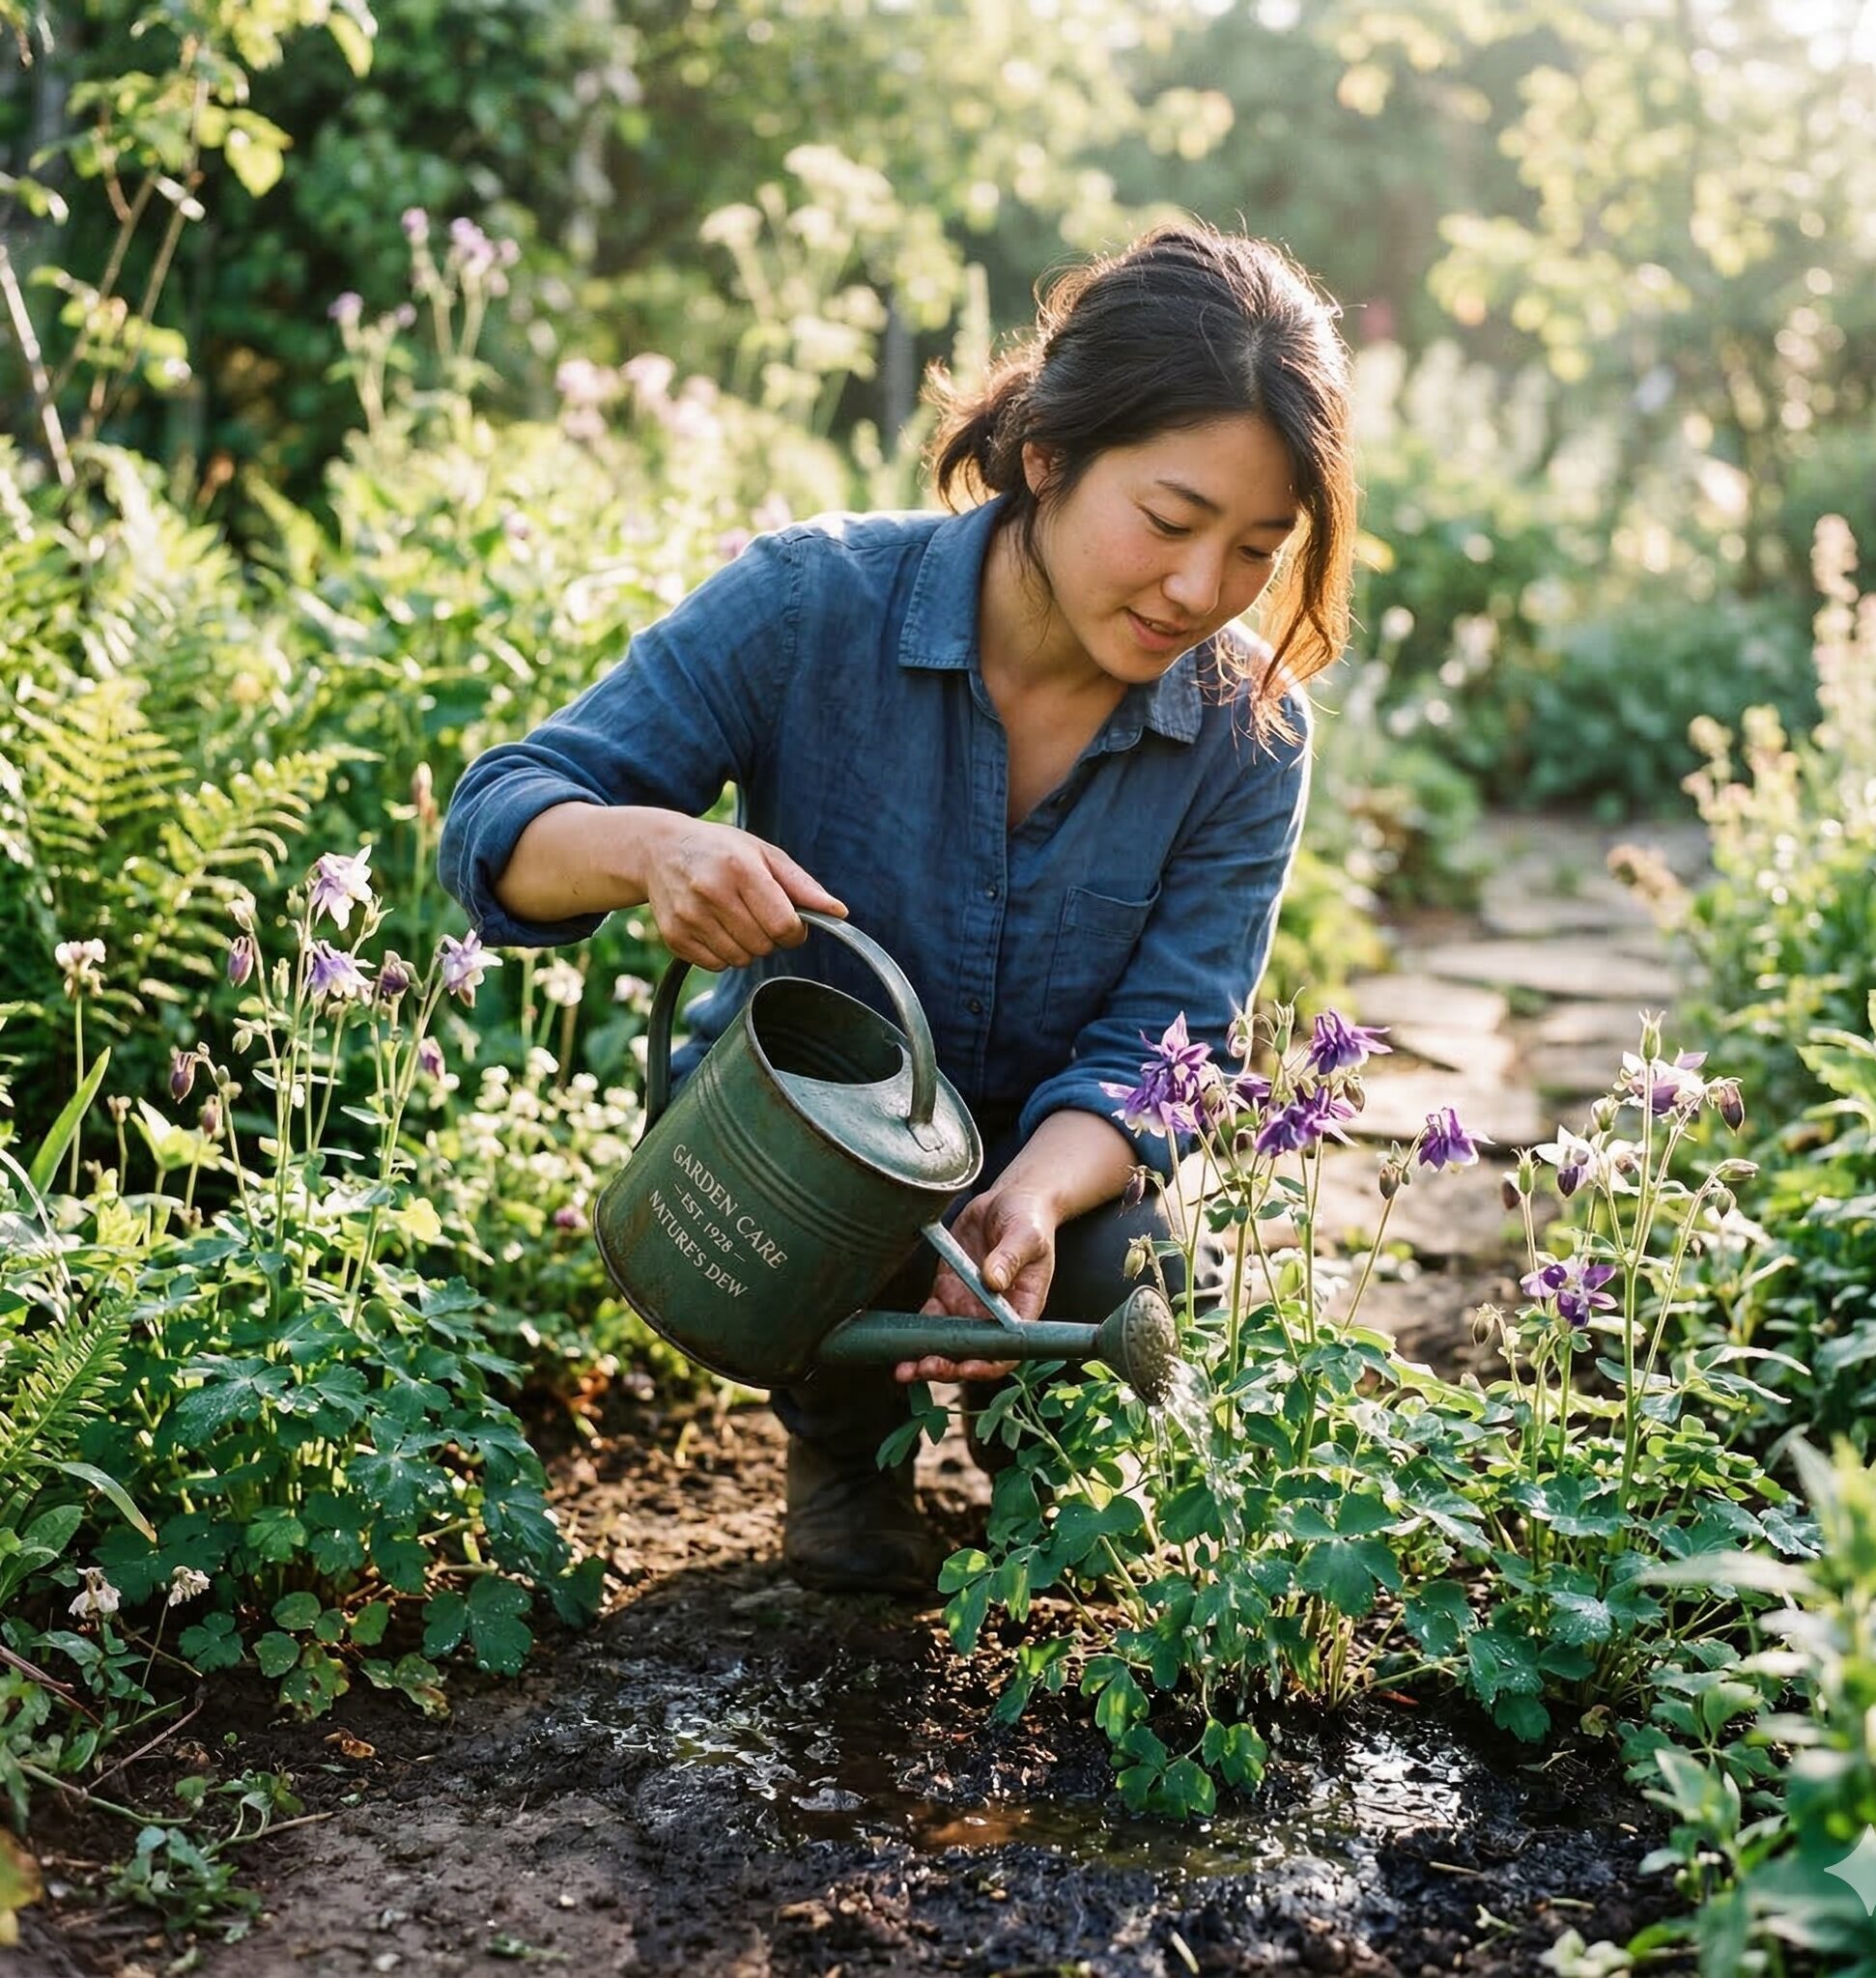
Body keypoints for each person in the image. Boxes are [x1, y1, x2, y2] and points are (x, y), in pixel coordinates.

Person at [439, 221, 1356, 1595]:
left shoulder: (1247, 731)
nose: (1198, 591)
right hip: (813, 1160)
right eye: (1168, 523)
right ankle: (843, 1443)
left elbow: (1173, 1048)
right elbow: (498, 821)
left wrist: (1031, 1204)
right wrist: (652, 850)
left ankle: (1042, 1447)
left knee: (1136, 1268)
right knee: (826, 1203)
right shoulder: (815, 604)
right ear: (1048, 452)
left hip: (1055, 1191)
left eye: (1255, 550)